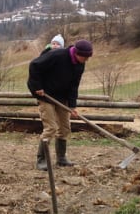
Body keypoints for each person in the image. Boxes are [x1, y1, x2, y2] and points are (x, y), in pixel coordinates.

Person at [27, 39, 93, 170]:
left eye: (88, 57)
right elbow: (34, 65)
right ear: (77, 53)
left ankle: (61, 158)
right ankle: (42, 160)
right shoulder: (57, 55)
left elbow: (74, 86)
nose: (86, 60)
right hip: (45, 94)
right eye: (84, 57)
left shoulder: (80, 64)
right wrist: (37, 86)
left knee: (64, 128)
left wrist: (72, 106)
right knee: (51, 127)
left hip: (62, 97)